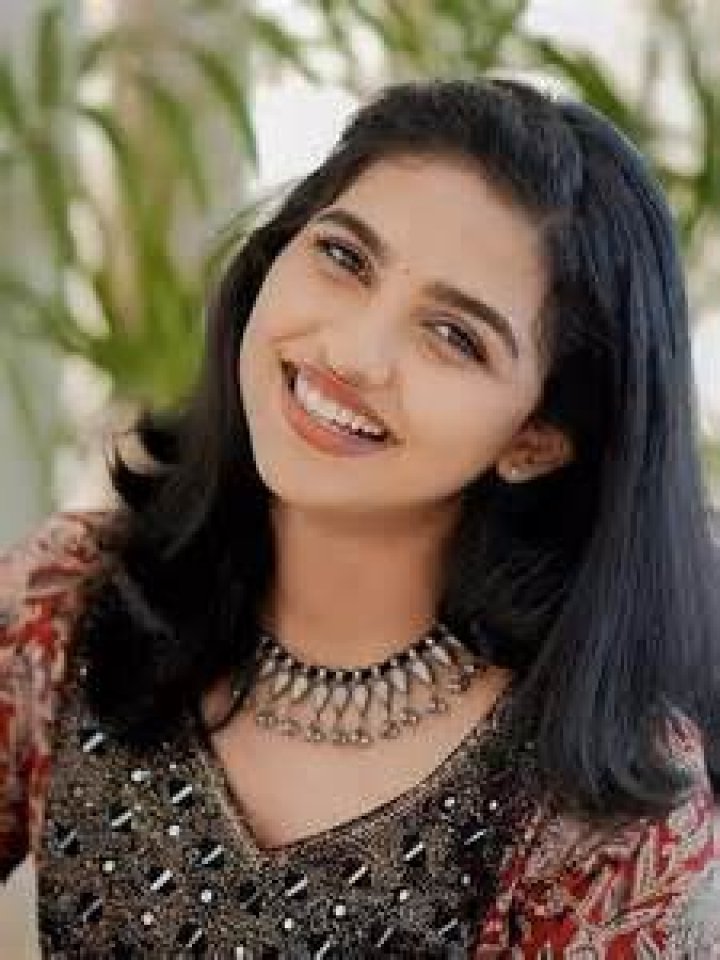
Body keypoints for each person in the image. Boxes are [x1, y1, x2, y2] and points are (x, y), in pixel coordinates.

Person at [1, 76, 718, 958]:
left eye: (454, 336)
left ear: (535, 439)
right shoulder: (67, 600)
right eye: (344, 258)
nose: (350, 352)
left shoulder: (606, 822)